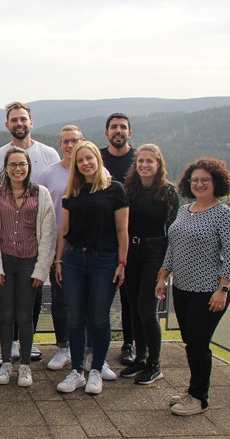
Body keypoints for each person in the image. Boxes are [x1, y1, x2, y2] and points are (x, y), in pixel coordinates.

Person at [156, 158, 230, 416]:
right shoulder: (185, 210)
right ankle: (192, 390)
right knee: (190, 342)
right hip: (182, 287)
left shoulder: (224, 214)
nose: (199, 184)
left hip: (209, 291)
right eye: (195, 180)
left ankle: (199, 399)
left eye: (205, 180)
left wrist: (222, 289)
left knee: (199, 345)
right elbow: (173, 245)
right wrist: (163, 276)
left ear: (216, 183)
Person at [37, 126, 116, 380]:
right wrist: (52, 253)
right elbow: (47, 216)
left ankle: (94, 356)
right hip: (63, 249)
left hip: (99, 254)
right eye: (66, 142)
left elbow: (118, 224)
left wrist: (121, 260)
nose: (71, 146)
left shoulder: (105, 177)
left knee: (96, 309)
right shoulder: (50, 175)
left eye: (75, 141)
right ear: (60, 144)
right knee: (63, 304)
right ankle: (65, 349)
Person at [0, 102, 60, 366]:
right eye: (14, 120)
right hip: (7, 251)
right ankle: (11, 348)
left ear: (31, 122)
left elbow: (51, 197)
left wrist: (46, 258)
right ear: (7, 125)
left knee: (31, 305)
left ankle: (27, 350)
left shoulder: (49, 153)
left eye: (23, 119)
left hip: (35, 243)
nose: (19, 123)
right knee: (8, 311)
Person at [54, 141, 129, 396]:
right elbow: (64, 231)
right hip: (74, 260)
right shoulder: (71, 191)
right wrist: (59, 260)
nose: (86, 163)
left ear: (98, 159)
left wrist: (122, 263)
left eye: (89, 158)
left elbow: (122, 231)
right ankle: (76, 371)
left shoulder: (115, 189)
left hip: (104, 261)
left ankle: (95, 369)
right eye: (80, 160)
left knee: (99, 317)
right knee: (75, 318)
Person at [119, 144, 179, 385]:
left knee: (147, 310)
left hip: (156, 251)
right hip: (131, 251)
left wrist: (166, 270)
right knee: (133, 307)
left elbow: (173, 231)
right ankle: (141, 357)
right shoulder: (129, 189)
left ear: (158, 164)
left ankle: (155, 364)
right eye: (140, 161)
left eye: (149, 161)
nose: (144, 165)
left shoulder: (167, 192)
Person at [100, 112, 137, 365]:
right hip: (101, 237)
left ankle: (130, 343)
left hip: (131, 236)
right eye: (114, 127)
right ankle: (93, 344)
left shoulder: (139, 160)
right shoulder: (97, 158)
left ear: (129, 133)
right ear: (106, 133)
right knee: (98, 296)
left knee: (130, 297)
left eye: (123, 127)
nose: (118, 131)